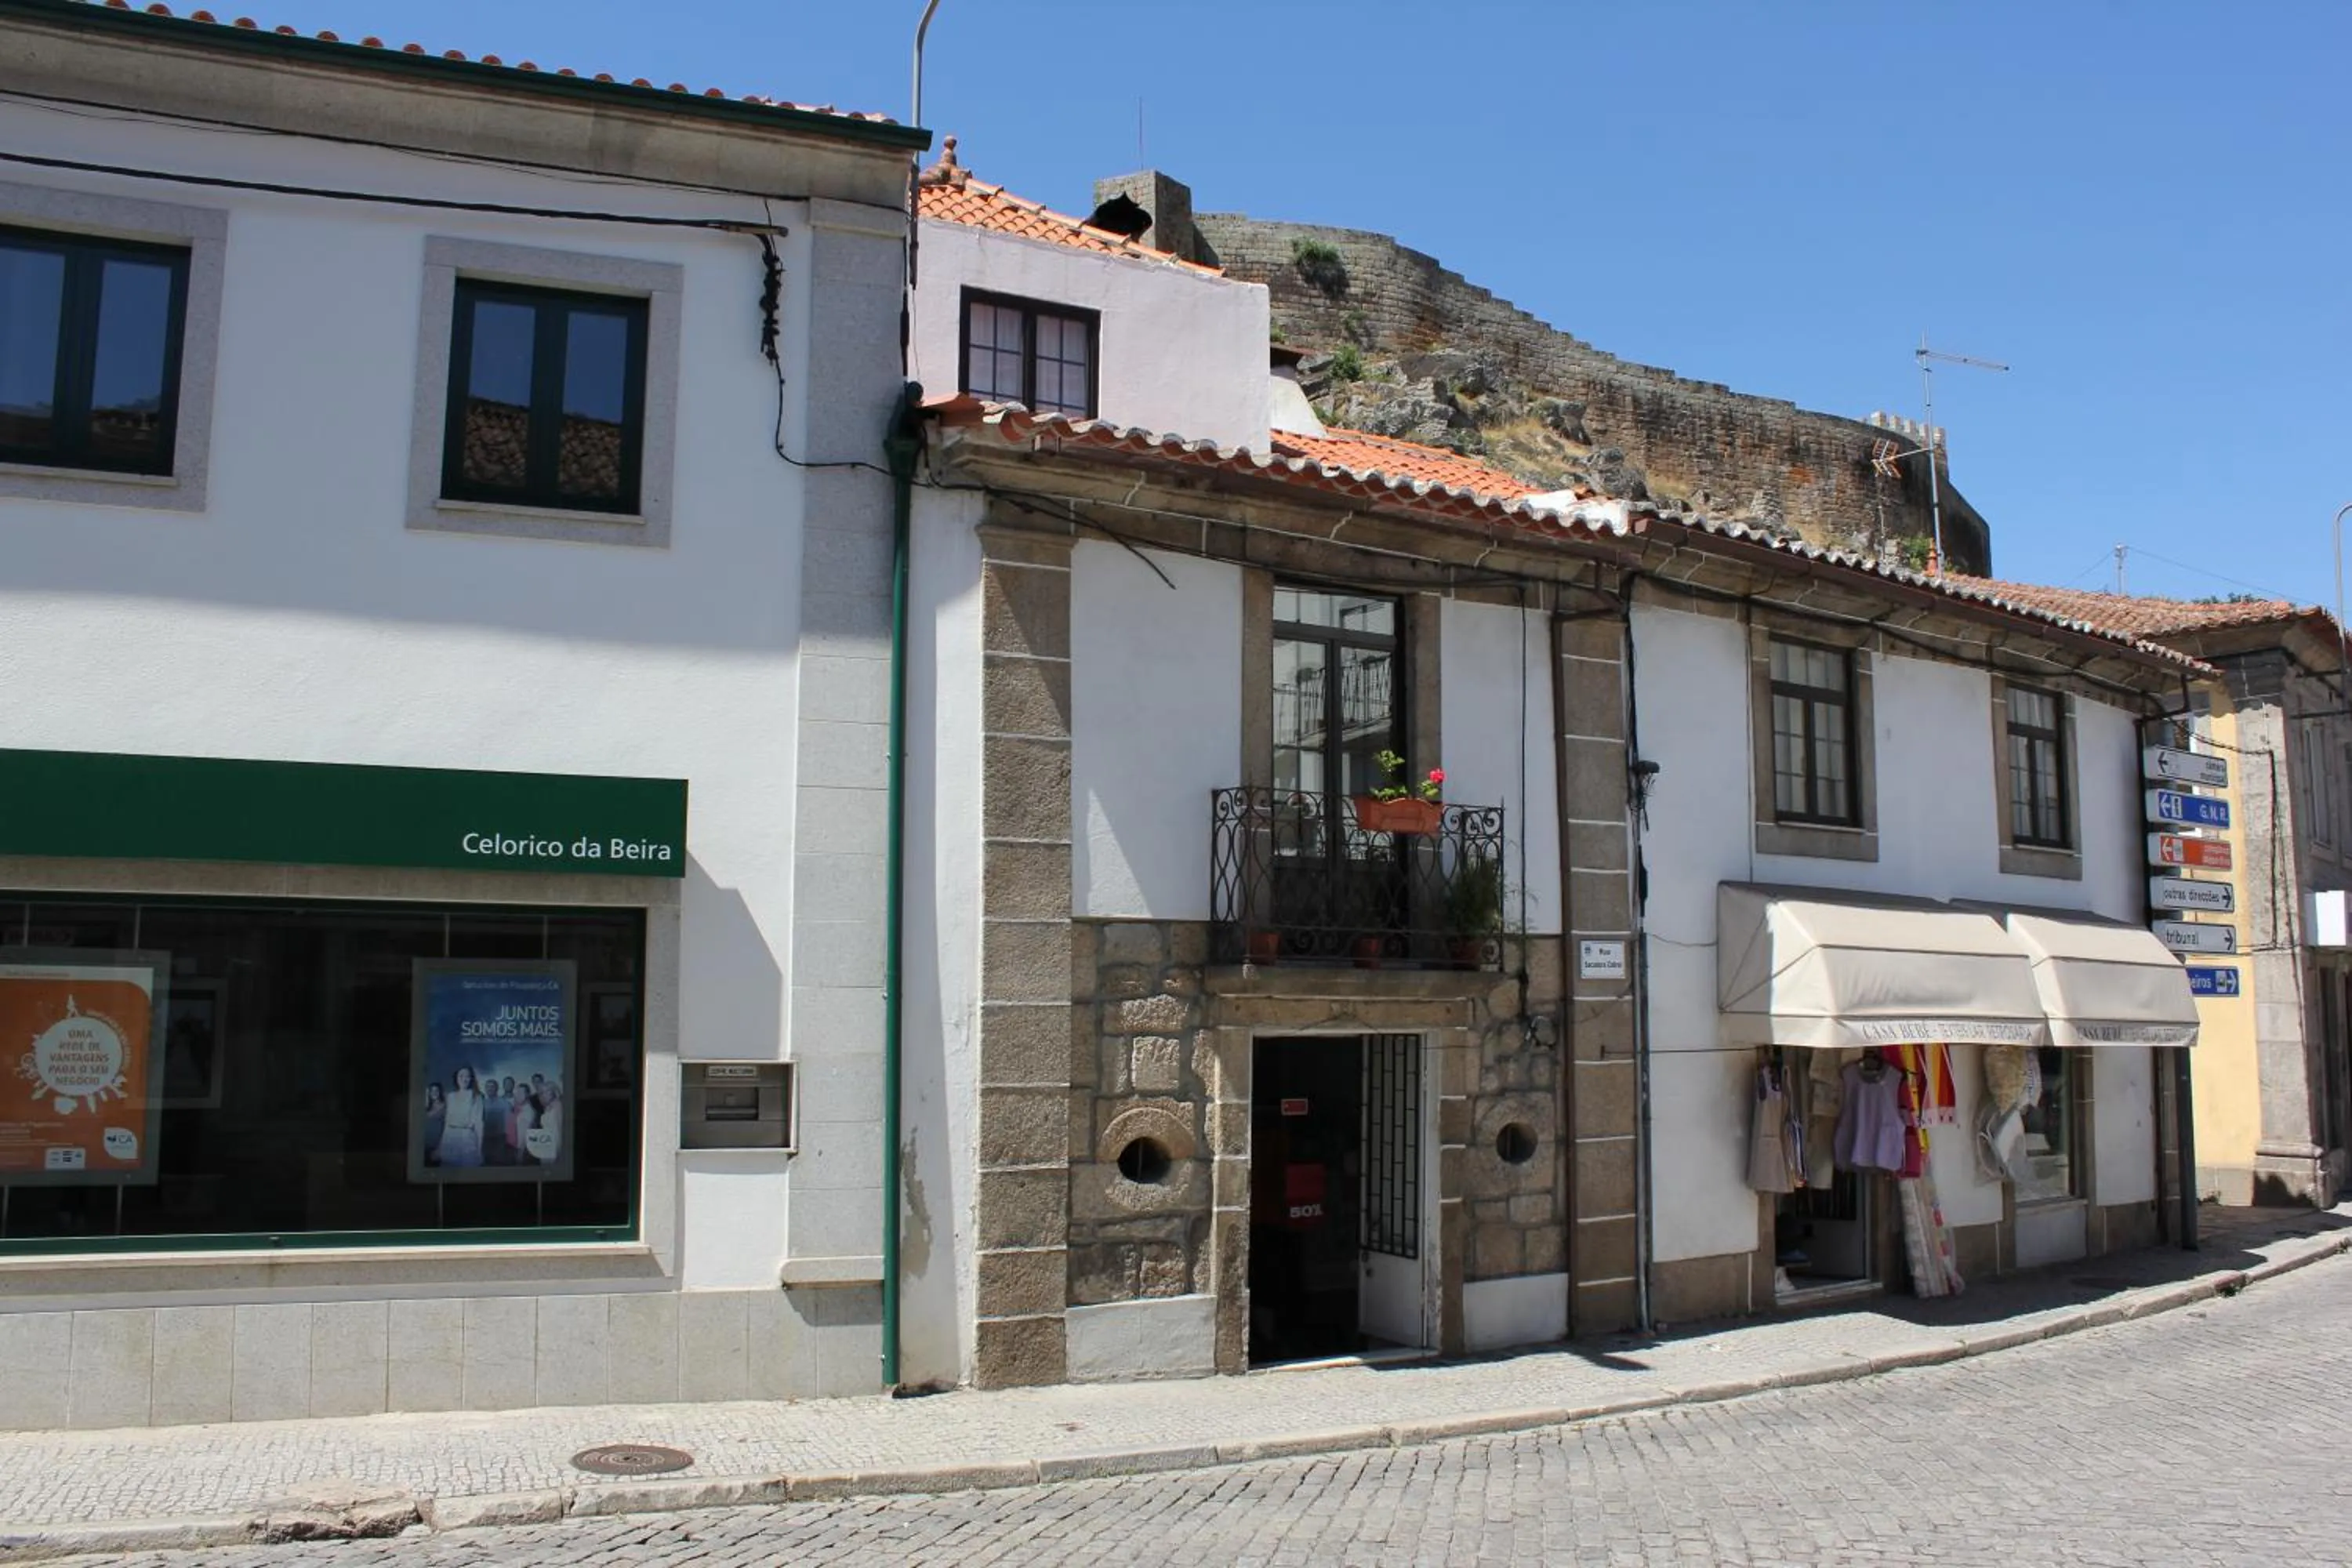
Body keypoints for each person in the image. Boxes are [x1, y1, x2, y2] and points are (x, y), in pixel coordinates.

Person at [438, 1066, 485, 1167]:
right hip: (450, 1136)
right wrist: (441, 1145)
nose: (464, 1079)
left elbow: (479, 1124)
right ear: (456, 1078)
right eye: (461, 1076)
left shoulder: (476, 1097)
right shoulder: (451, 1096)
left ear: (471, 1079)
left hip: (467, 1136)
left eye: (468, 1076)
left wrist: (479, 1149)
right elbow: (447, 1121)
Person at [508, 1074, 539, 1166]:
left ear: (528, 1095)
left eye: (521, 1093)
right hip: (515, 1148)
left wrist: (520, 1154)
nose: (518, 1096)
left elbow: (525, 1136)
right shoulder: (518, 1109)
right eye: (517, 1093)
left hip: (522, 1150)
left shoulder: (528, 1112)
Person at [481, 1073, 510, 1166]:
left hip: (500, 1138)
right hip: (485, 1138)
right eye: (488, 1087)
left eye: (492, 1087)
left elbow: (509, 1122)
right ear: (485, 1089)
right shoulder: (481, 1104)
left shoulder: (504, 1103)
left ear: (497, 1088)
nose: (490, 1089)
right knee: (486, 1163)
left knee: (499, 1163)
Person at [422, 1081, 446, 1166]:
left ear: (440, 1092)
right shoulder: (426, 1106)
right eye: (431, 1091)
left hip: (436, 1146)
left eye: (436, 1091)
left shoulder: (444, 1107)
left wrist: (439, 1148)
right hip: (423, 1146)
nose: (434, 1093)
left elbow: (445, 1129)